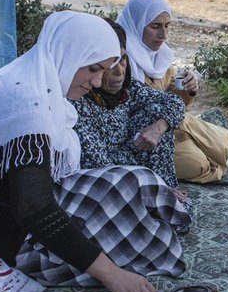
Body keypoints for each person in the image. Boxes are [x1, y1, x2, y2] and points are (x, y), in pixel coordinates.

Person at [0, 12, 191, 292]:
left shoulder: (34, 79)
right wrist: (113, 276)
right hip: (7, 241)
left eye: (106, 70)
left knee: (134, 181)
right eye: (94, 69)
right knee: (144, 244)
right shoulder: (26, 103)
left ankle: (167, 215)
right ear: (69, 53)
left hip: (16, 211)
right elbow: (35, 210)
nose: (98, 81)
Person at [117, 0, 228, 183]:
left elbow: (173, 92)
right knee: (199, 165)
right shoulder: (120, 59)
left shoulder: (159, 56)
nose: (163, 35)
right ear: (137, 24)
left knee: (223, 142)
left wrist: (188, 89)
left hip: (166, 125)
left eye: (167, 26)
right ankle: (214, 164)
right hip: (141, 136)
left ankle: (212, 158)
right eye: (155, 27)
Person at [72, 20, 185, 189]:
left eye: (123, 59)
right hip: (107, 180)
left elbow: (174, 101)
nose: (119, 71)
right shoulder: (79, 98)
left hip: (134, 164)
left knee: (156, 112)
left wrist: (158, 128)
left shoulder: (128, 88)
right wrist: (152, 186)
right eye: (110, 64)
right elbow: (100, 165)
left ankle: (167, 187)